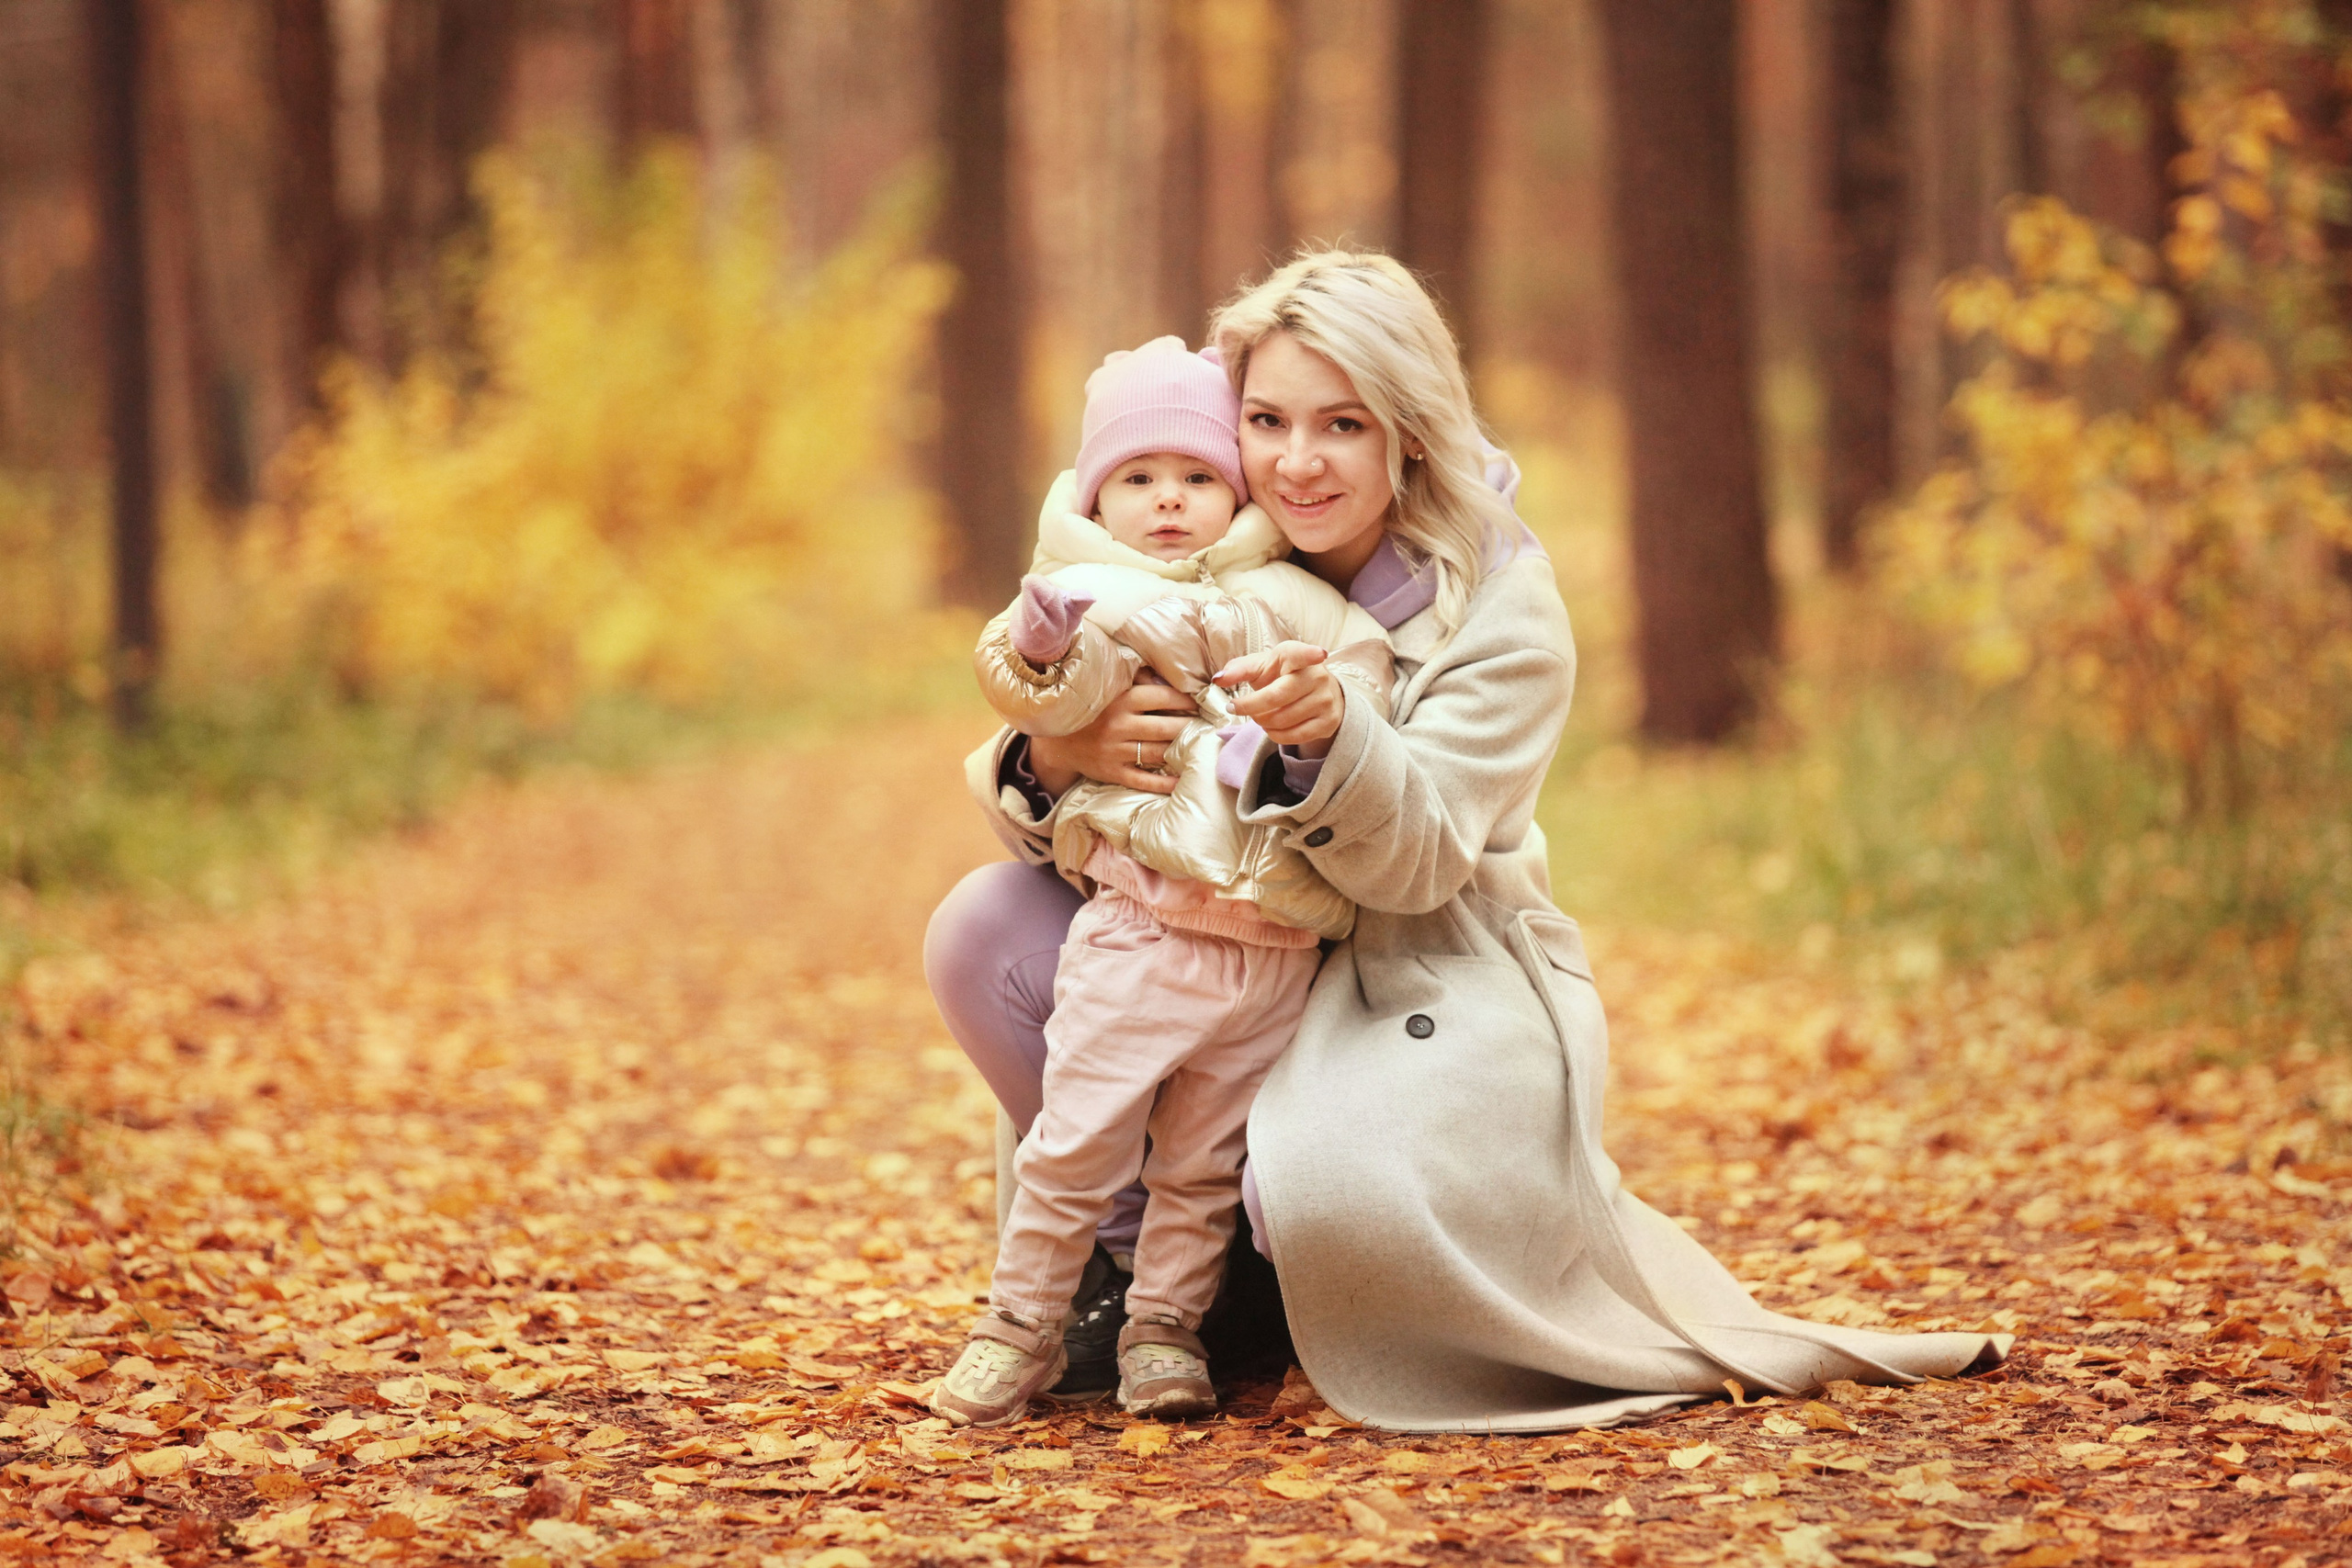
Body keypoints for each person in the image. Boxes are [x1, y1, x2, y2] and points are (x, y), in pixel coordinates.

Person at [928, 250, 2010, 1432]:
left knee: (1338, 1195)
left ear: (1410, 433)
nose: (1297, 460)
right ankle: (1153, 1284)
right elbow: (1056, 779)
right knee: (982, 930)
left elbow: (1420, 860)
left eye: (1342, 424)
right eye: (1268, 420)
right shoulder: (1203, 537)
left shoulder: (1499, 606)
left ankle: (1254, 1263)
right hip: (1194, 926)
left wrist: (1333, 734)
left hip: (1414, 959)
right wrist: (1057, 758)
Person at [930, 338, 1395, 1427]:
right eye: (1138, 480)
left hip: (1273, 942)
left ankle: (1164, 1334)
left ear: (1232, 489)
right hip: (1144, 927)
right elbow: (1033, 684)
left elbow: (1363, 670)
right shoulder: (1091, 590)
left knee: (1199, 1166)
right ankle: (1019, 1326)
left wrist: (1327, 704)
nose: (1171, 504)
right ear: (1099, 494)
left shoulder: (1283, 593)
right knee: (1078, 1140)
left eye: (1196, 479)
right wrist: (1046, 662)